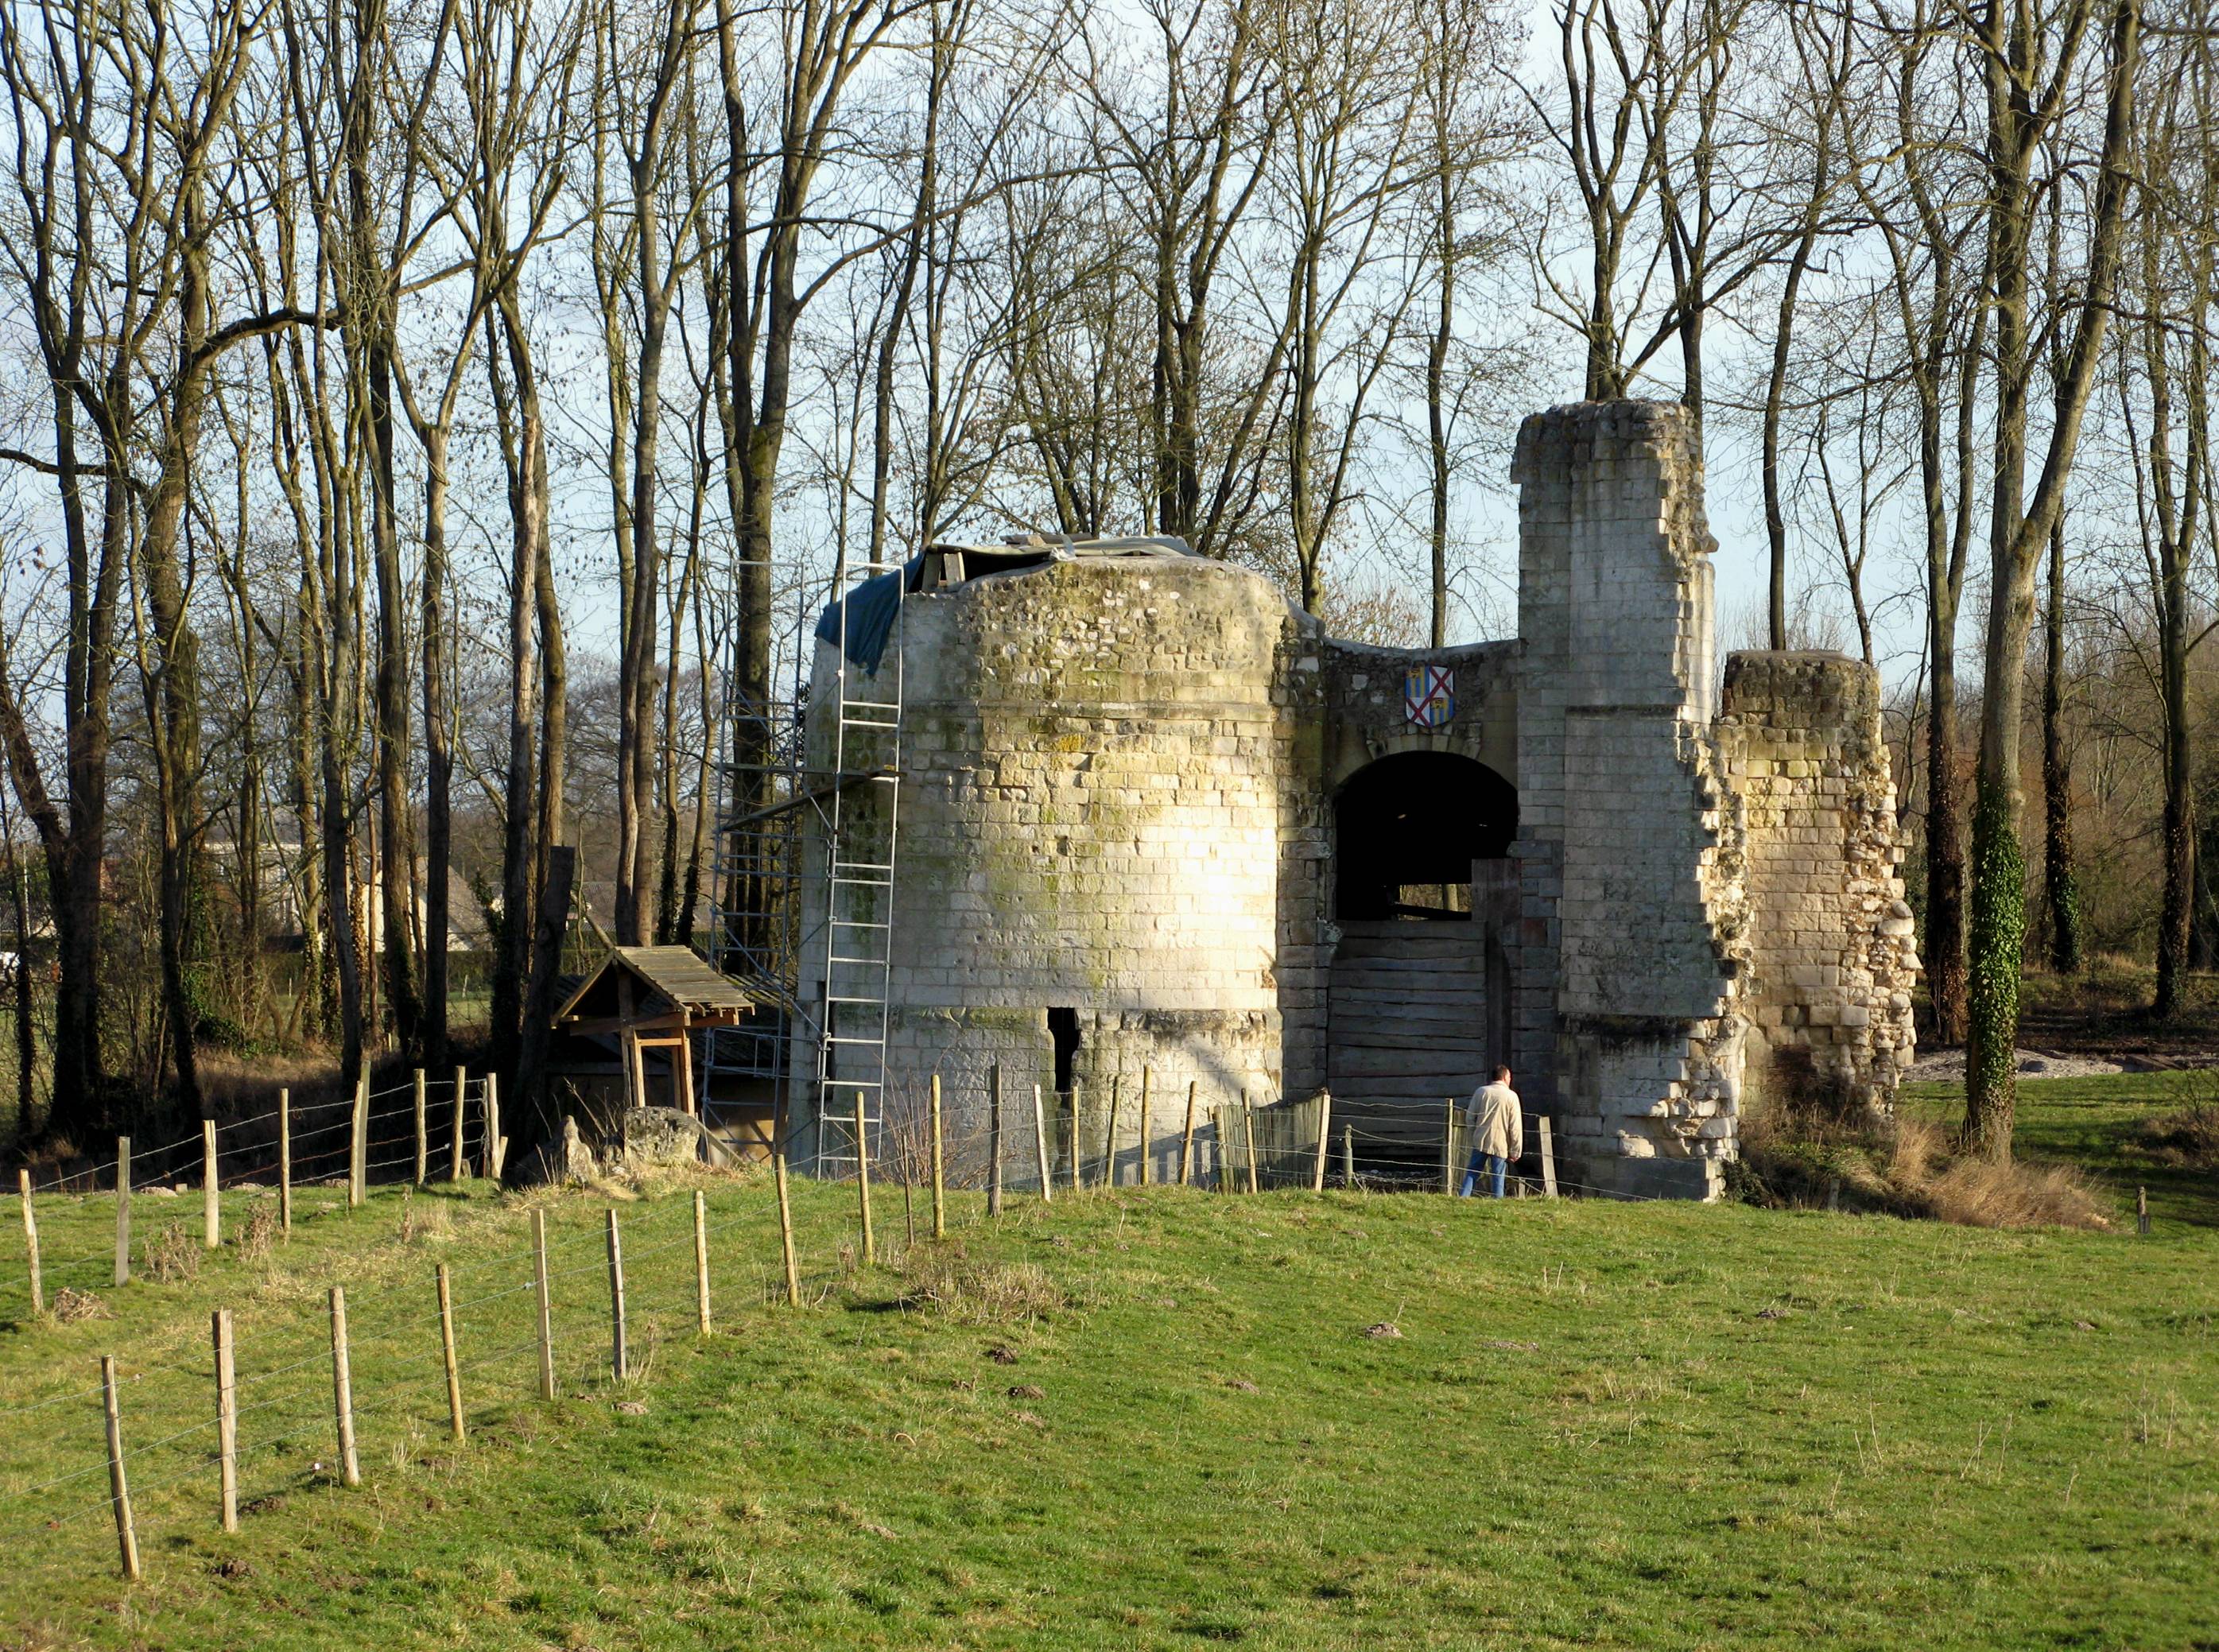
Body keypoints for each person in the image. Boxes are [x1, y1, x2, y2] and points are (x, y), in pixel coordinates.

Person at [1459, 1066, 1522, 1198]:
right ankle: (1497, 1203)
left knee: (1472, 1171)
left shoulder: (1481, 1092)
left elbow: (1470, 1117)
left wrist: (1474, 1134)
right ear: (1505, 1078)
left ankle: (1463, 1197)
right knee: (1498, 1175)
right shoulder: (1511, 1096)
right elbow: (1515, 1126)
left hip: (1481, 1140)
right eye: (1509, 1077)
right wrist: (1516, 1150)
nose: (1510, 1080)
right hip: (1501, 1142)